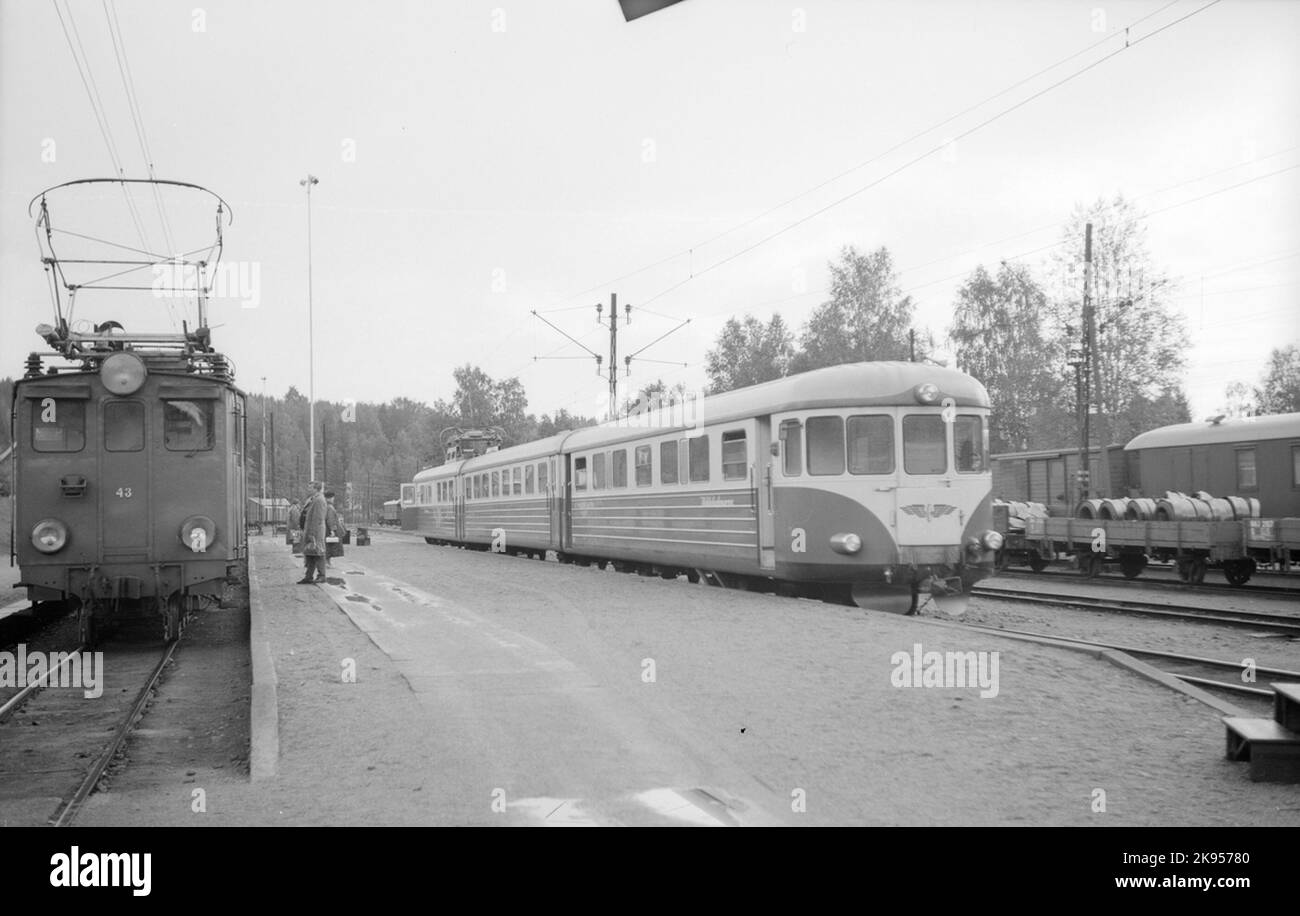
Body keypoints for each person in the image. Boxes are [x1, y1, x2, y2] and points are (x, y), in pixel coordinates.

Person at [298, 482, 328, 584]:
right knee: (310, 553)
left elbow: (318, 518)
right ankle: (308, 576)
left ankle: (321, 575)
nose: (308, 489)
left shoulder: (319, 500)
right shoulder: (312, 499)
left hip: (315, 531)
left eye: (310, 487)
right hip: (309, 530)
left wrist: (312, 533)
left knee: (318, 552)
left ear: (316, 489)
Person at [324, 490, 343, 568]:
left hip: (325, 529)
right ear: (330, 498)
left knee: (328, 545)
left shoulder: (325, 506)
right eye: (332, 498)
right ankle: (327, 563)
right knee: (330, 546)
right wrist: (332, 530)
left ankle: (327, 562)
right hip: (329, 530)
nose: (333, 499)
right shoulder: (330, 507)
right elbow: (330, 519)